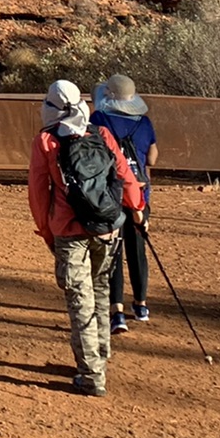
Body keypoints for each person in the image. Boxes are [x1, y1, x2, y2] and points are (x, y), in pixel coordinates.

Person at [29, 79, 145, 397]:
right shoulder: (101, 133)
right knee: (101, 290)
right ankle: (101, 354)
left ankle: (91, 374)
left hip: (69, 232)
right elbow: (124, 175)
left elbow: (39, 193)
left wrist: (46, 230)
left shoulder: (46, 141)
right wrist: (136, 209)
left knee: (81, 301)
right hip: (107, 227)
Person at [92, 74, 158, 335]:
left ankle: (116, 310)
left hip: (111, 195)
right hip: (140, 196)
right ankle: (141, 305)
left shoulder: (100, 120)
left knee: (114, 251)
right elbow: (152, 158)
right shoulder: (144, 122)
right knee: (137, 249)